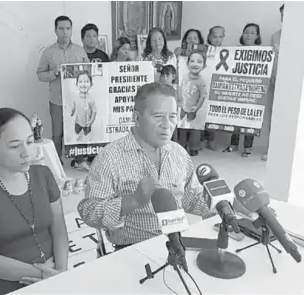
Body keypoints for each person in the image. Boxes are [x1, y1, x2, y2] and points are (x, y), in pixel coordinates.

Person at [77, 83, 215, 250]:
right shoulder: (110, 157)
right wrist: (132, 201)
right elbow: (89, 212)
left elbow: (191, 198)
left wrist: (223, 208)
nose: (167, 125)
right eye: (158, 116)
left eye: (172, 116)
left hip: (178, 242)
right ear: (136, 118)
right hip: (132, 248)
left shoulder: (178, 153)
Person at [0, 108, 69, 295]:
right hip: (4, 286)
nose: (26, 153)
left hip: (54, 277)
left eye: (30, 141)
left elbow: (59, 230)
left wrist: (61, 272)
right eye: (15, 146)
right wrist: (42, 274)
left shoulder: (43, 175)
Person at [37, 16, 89, 165]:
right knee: (57, 133)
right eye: (61, 28)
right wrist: (53, 73)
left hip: (77, 99)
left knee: (78, 129)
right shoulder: (48, 52)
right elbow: (40, 74)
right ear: (55, 30)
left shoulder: (80, 51)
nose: (65, 32)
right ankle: (56, 162)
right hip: (57, 99)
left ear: (72, 30)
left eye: (68, 28)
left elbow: (89, 72)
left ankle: (78, 160)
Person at [71, 23, 109, 170]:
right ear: (82, 38)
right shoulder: (78, 54)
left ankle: (94, 156)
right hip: (80, 96)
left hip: (97, 96)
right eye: (88, 36)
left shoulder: (103, 56)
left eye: (94, 36)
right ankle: (79, 157)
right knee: (79, 127)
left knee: (95, 126)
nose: (92, 39)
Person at [223, 23, 262, 157]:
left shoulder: (262, 52)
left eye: (252, 32)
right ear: (242, 34)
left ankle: (248, 148)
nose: (249, 35)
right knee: (235, 117)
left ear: (257, 36)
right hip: (237, 88)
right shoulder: (235, 50)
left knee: (250, 118)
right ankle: (233, 144)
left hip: (253, 89)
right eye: (246, 32)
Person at [262, 4, 284, 161]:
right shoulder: (275, 36)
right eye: (282, 15)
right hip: (276, 82)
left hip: (297, 85)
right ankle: (273, 150)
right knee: (275, 118)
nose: (284, 18)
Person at [178, 50, 208, 156]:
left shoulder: (202, 82)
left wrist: (197, 107)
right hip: (183, 106)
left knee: (194, 127)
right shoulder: (184, 77)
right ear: (187, 64)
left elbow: (202, 96)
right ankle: (181, 146)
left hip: (193, 108)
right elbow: (180, 89)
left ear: (204, 66)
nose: (195, 64)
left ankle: (194, 146)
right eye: (192, 61)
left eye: (199, 62)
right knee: (181, 126)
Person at [204, 25, 226, 150]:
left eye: (220, 36)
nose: (217, 39)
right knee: (202, 113)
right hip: (204, 84)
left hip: (218, 86)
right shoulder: (204, 49)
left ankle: (211, 138)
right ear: (209, 37)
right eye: (214, 36)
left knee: (213, 114)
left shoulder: (227, 52)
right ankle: (202, 138)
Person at [70, 71, 97, 141]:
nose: (84, 84)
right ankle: (76, 136)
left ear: (91, 85)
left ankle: (88, 138)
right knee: (76, 131)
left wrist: (91, 120)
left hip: (87, 122)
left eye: (87, 81)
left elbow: (94, 111)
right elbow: (73, 106)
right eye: (81, 81)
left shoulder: (91, 99)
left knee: (87, 134)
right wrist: (71, 112)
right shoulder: (75, 97)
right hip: (78, 121)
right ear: (76, 84)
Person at [159, 64, 179, 142]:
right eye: (162, 75)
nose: (164, 77)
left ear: (173, 77)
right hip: (161, 117)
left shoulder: (177, 89)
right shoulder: (157, 88)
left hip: (172, 117)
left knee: (173, 136)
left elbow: (181, 102)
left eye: (167, 75)